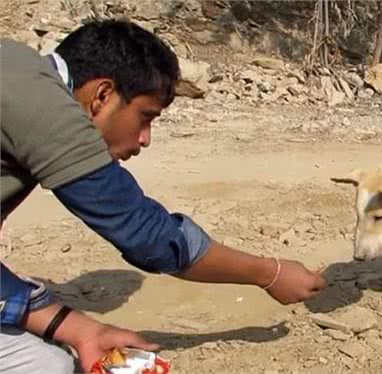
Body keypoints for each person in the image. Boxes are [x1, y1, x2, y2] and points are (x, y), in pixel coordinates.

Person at [0, 19, 326, 374]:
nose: (145, 139)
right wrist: (270, 273)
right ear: (102, 96)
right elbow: (149, 236)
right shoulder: (38, 101)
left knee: (49, 360)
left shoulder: (17, 74)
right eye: (145, 117)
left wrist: (80, 330)